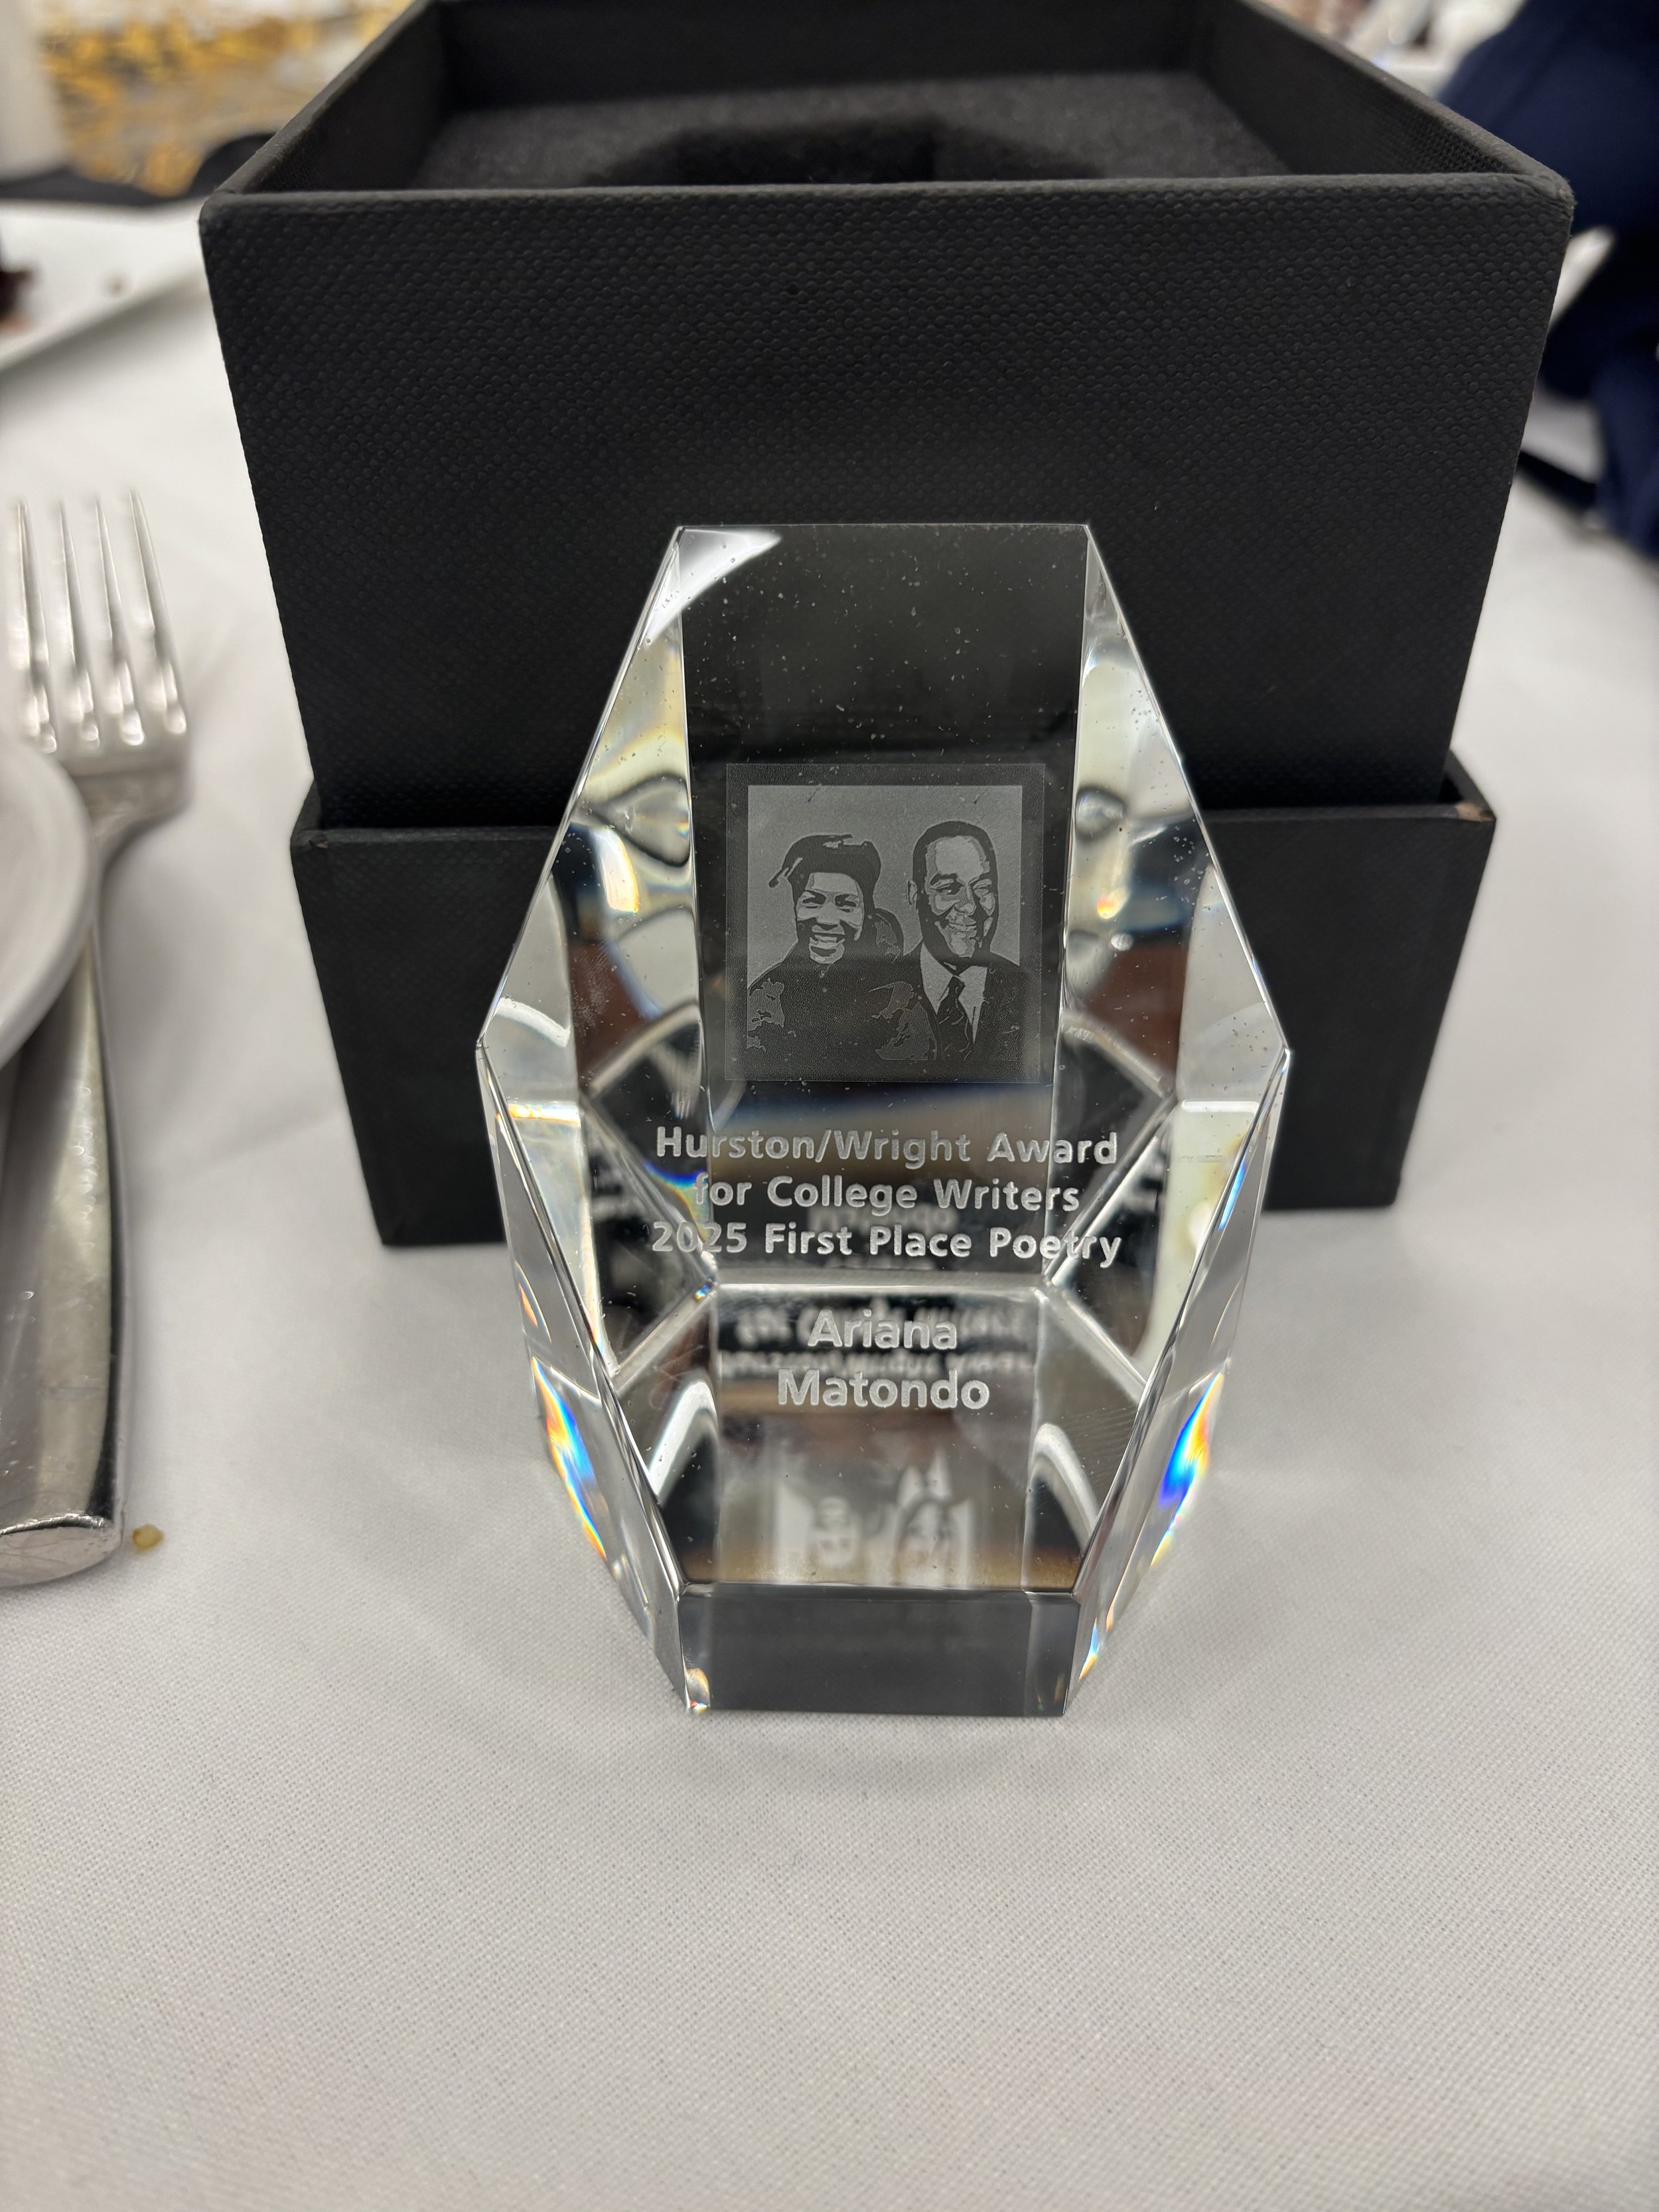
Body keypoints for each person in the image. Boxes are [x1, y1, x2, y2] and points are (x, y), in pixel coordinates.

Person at [865, 820, 1034, 1080]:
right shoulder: (876, 997)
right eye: (949, 889)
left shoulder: (1028, 994)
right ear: (915, 894)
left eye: (983, 888)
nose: (970, 906)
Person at [747, 833, 891, 1077]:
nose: (826, 920)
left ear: (866, 914)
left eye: (846, 905)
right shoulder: (765, 997)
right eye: (813, 901)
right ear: (796, 908)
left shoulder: (897, 995)